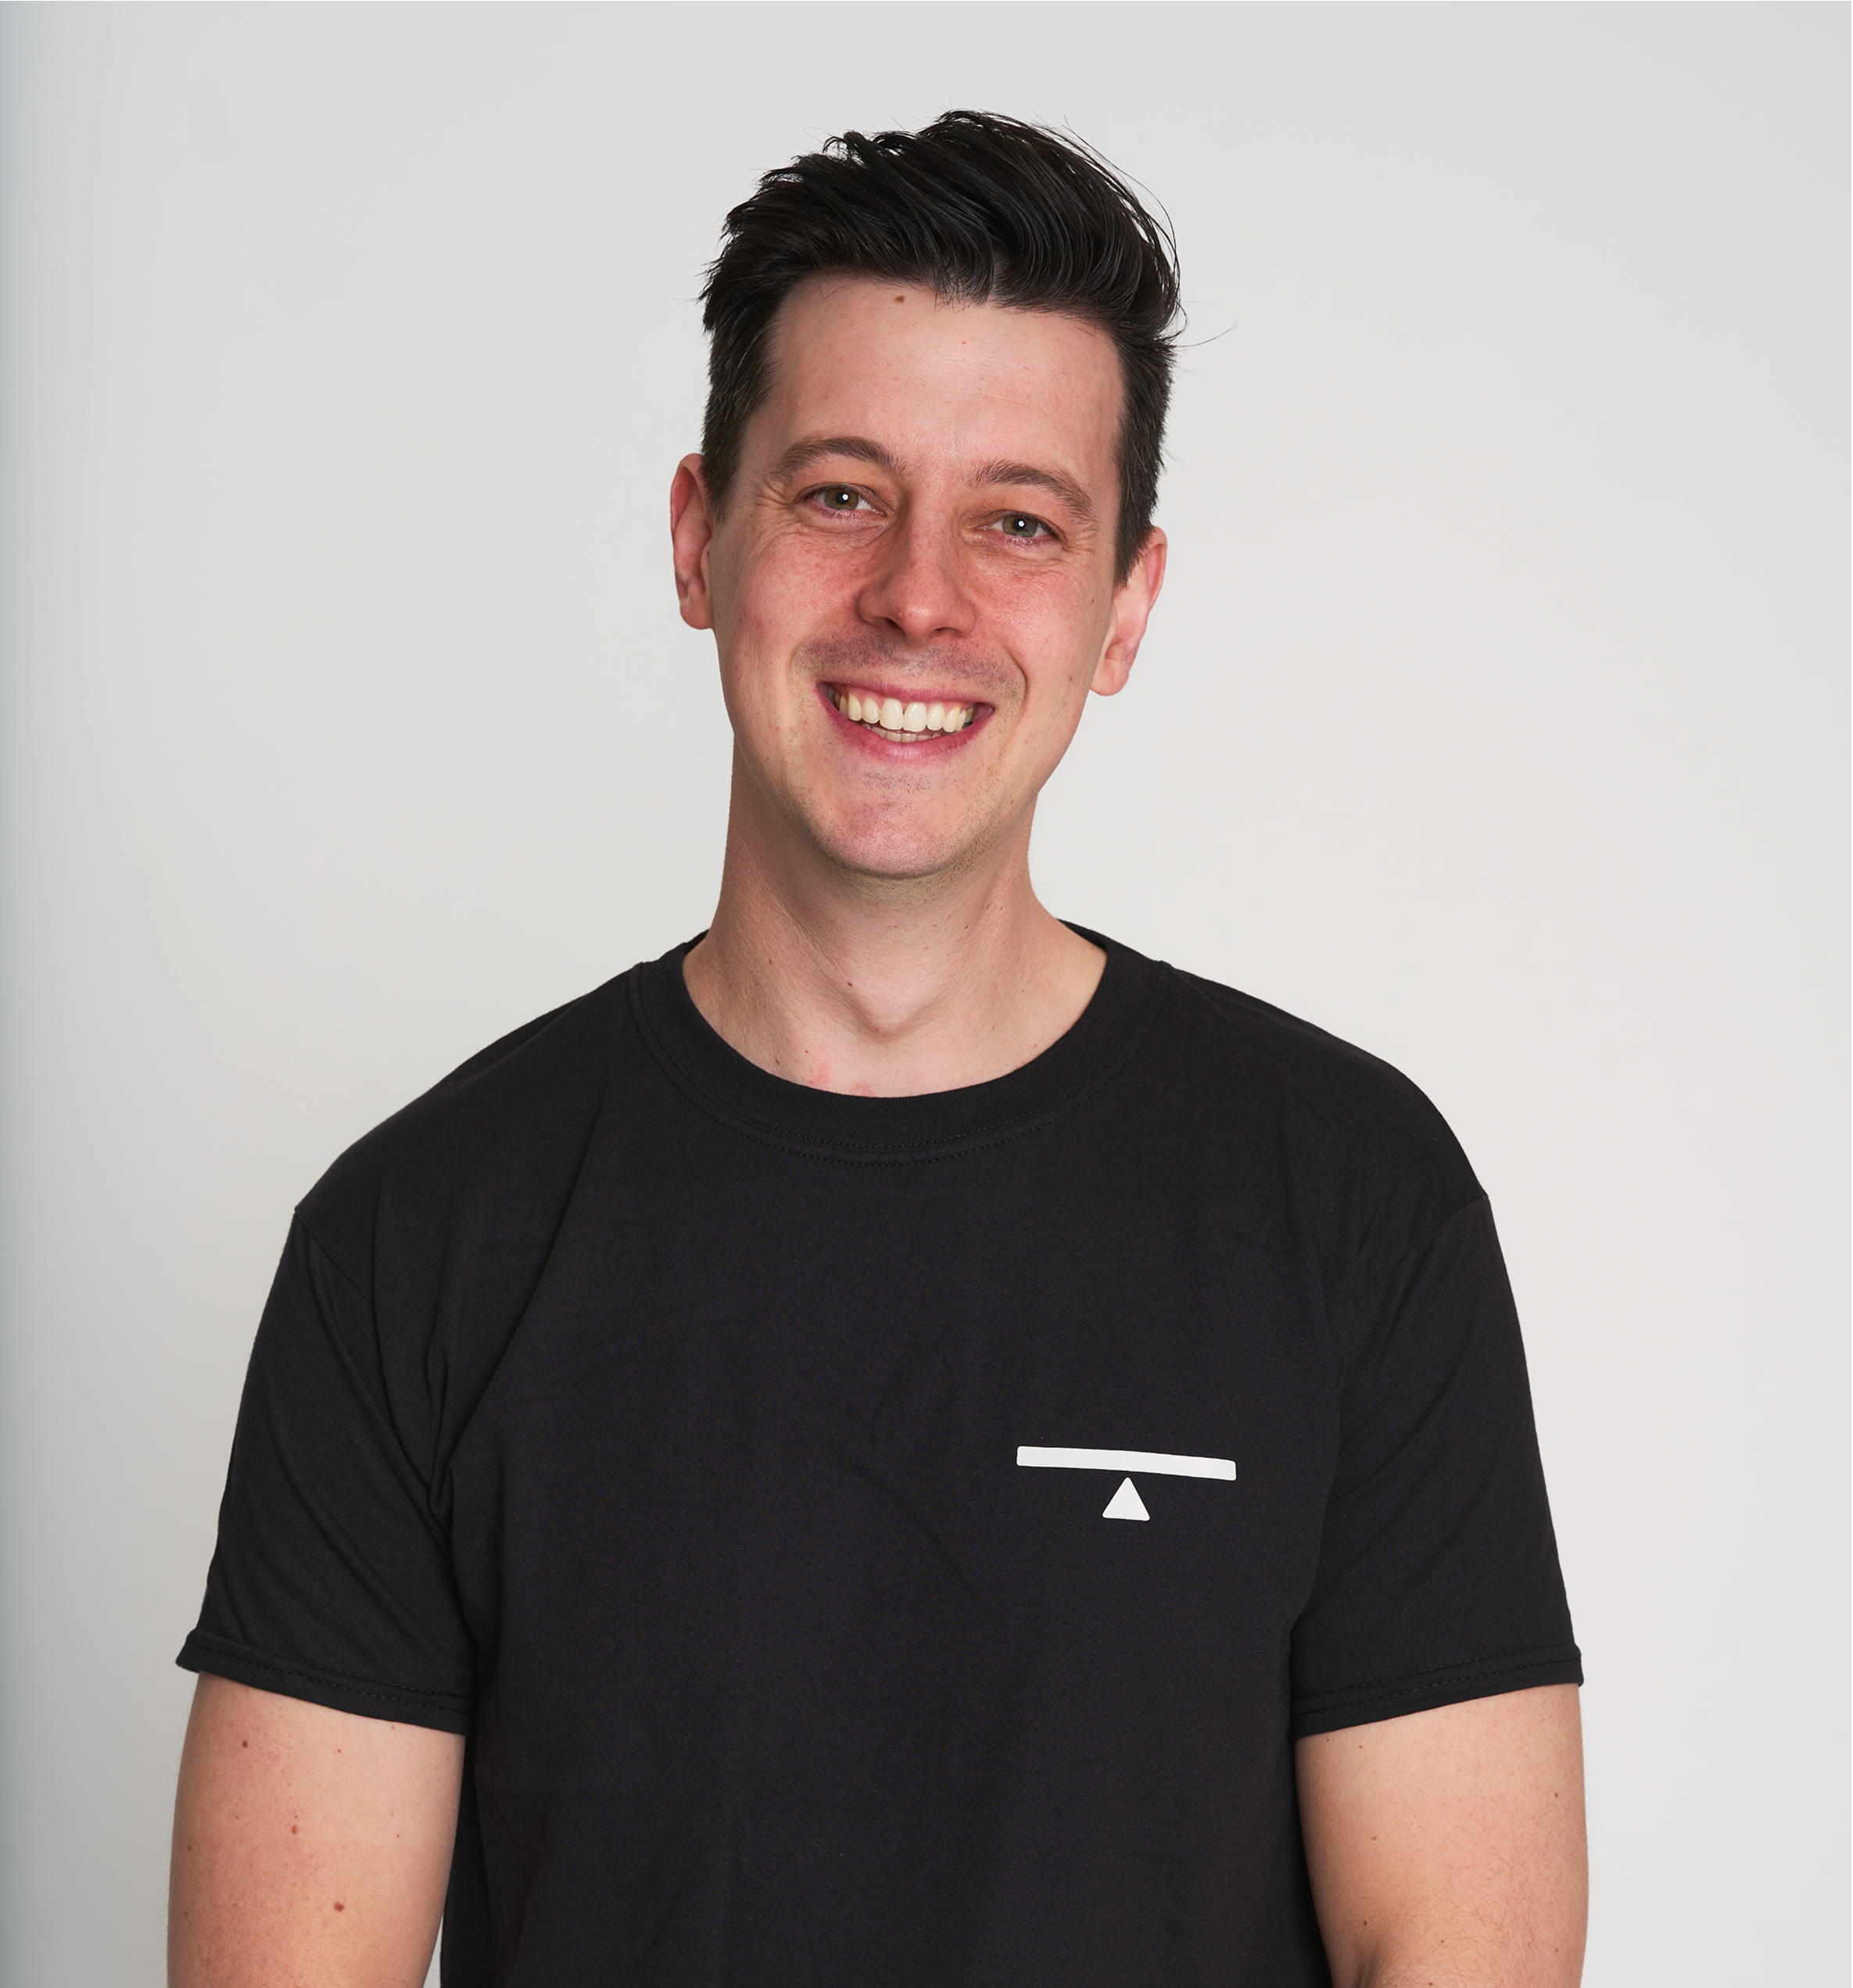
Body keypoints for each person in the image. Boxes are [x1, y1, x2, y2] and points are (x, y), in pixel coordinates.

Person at [168, 113, 1586, 1987]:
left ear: (1125, 606)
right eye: (841, 491)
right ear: (701, 537)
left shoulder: (1349, 1199)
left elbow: (1465, 1950)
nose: (922, 595)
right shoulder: (418, 1231)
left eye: (1019, 520)